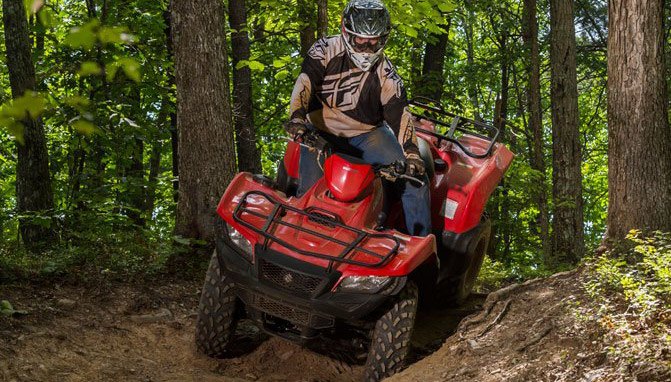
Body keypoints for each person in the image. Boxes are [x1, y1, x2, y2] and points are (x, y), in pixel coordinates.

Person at [285, 0, 431, 237]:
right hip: (319, 130)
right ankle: (296, 241)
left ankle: (421, 248)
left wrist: (413, 154)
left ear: (384, 39)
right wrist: (297, 119)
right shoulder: (324, 49)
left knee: (415, 179)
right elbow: (304, 82)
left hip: (368, 134)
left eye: (374, 41)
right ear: (346, 31)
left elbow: (400, 115)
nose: (366, 47)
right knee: (308, 196)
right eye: (360, 39)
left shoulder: (388, 75)